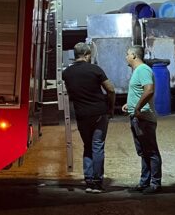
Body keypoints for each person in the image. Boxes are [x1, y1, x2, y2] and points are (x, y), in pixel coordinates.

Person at [62, 42, 116, 192]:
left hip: (81, 114)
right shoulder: (95, 70)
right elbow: (110, 89)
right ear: (87, 55)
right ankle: (98, 182)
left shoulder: (67, 73)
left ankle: (89, 181)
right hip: (99, 113)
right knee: (97, 145)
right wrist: (110, 108)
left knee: (87, 146)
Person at [123, 45, 162, 193]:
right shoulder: (138, 71)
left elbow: (149, 89)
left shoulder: (143, 70)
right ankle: (144, 182)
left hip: (143, 118)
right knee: (143, 152)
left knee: (151, 151)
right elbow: (141, 91)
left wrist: (138, 107)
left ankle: (155, 183)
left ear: (133, 55)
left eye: (127, 54)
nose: (126, 57)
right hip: (137, 116)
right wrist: (131, 104)